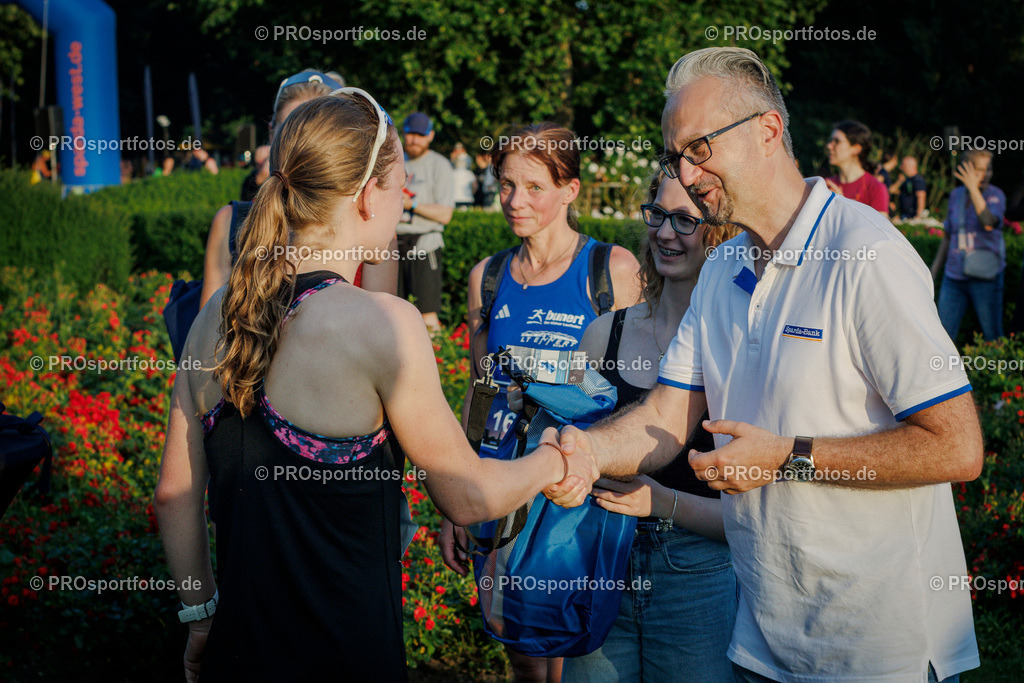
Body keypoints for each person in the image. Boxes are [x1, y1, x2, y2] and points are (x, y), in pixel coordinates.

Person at [548, 46, 983, 683]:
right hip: (761, 646)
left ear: (769, 130)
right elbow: (666, 416)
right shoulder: (722, 271)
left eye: (699, 149)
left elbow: (958, 447)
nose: (687, 174)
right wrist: (578, 453)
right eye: (675, 156)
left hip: (877, 652)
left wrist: (787, 454)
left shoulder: (866, 254)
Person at [153, 89, 599, 682]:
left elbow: (173, 496)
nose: (407, 197)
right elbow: (468, 496)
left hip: (237, 651)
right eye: (399, 183)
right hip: (347, 652)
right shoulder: (384, 323)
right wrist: (553, 460)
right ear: (366, 197)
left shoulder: (215, 314)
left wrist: (201, 618)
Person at [439, 122, 641, 683]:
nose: (514, 200)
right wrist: (456, 497)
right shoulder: (490, 276)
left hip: (576, 486)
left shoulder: (612, 271)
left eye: (533, 187)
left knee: (573, 643)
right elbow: (480, 392)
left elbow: (637, 390)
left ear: (570, 190)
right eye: (506, 184)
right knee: (522, 650)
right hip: (503, 481)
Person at [559, 172, 739, 682]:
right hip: (599, 563)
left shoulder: (736, 347)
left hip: (699, 578)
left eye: (685, 219)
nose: (664, 232)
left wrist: (663, 501)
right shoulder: (601, 335)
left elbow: (755, 516)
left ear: (720, 233)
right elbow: (561, 434)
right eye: (658, 214)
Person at [200, 70, 397, 309]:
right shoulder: (232, 220)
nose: (304, 144)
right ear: (272, 133)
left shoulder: (372, 224)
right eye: (291, 127)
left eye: (319, 130)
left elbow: (380, 323)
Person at [931, 149, 1007, 341]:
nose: (986, 174)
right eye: (980, 170)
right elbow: (948, 236)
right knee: (942, 335)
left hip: (985, 275)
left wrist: (973, 189)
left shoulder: (995, 195)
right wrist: (933, 271)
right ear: (965, 169)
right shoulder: (956, 195)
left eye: (988, 169)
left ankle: (998, 369)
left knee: (992, 334)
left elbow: (988, 222)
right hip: (953, 276)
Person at [399, 112, 455, 330]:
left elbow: (445, 215)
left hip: (424, 245)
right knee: (392, 313)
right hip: (392, 244)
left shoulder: (439, 165)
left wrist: (411, 205)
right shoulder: (394, 161)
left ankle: (438, 362)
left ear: (430, 136)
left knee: (427, 317)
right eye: (410, 134)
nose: (414, 140)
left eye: (420, 135)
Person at [824, 120, 888, 215]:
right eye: (830, 141)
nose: (829, 146)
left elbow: (880, 228)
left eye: (837, 141)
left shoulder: (875, 188)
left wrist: (843, 203)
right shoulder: (826, 186)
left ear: (856, 149)